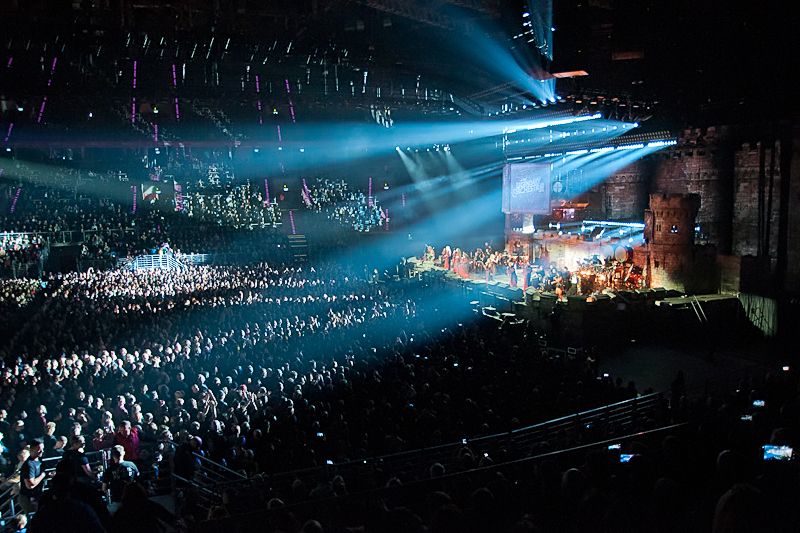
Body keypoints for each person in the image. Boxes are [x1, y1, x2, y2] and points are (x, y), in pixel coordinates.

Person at [102, 445, 139, 512]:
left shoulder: (109, 470)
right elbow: (138, 480)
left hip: (117, 499)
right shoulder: (132, 465)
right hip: (132, 498)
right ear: (124, 453)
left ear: (112, 456)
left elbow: (104, 488)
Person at [19, 438, 49, 514]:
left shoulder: (39, 460)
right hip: (29, 498)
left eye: (42, 449)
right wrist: (42, 475)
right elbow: (30, 485)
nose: (42, 451)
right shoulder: (29, 465)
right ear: (32, 449)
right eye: (39, 449)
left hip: (37, 496)